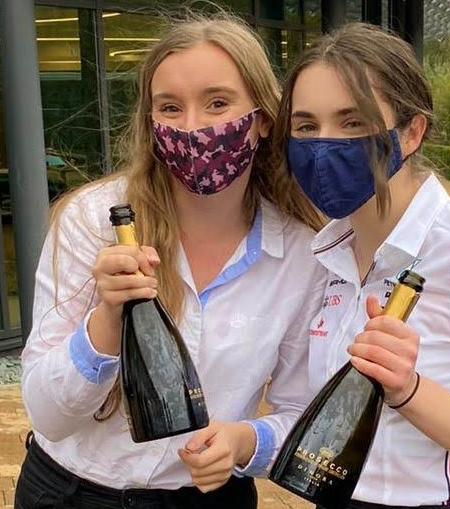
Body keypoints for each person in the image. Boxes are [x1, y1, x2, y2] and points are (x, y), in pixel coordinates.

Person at [16, 12, 327, 509]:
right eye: (170, 107)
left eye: (218, 103)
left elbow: (302, 413)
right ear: (151, 121)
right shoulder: (93, 220)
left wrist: (244, 442)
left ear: (263, 120)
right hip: (68, 493)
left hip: (209, 497)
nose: (193, 128)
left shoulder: (301, 253)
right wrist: (106, 322)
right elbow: (48, 416)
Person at [275, 22, 450, 508]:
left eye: (352, 122)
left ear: (411, 132)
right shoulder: (327, 255)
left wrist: (408, 389)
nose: (323, 145)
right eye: (306, 126)